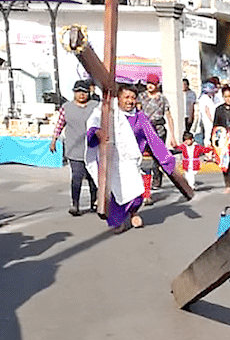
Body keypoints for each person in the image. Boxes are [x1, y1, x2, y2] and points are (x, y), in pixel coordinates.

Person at [85, 83, 176, 234]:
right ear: (118, 98)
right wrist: (96, 133)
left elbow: (153, 139)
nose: (130, 101)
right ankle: (117, 221)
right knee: (115, 193)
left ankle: (133, 212)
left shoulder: (140, 117)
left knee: (136, 191)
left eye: (133, 97)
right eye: (126, 97)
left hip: (130, 161)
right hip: (111, 160)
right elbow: (93, 124)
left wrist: (166, 159)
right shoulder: (107, 113)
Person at [49, 80, 99, 216]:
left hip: (92, 148)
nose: (81, 95)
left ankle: (95, 202)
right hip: (74, 149)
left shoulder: (95, 106)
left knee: (93, 178)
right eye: (78, 92)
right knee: (77, 176)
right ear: (74, 93)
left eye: (84, 92)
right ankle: (75, 204)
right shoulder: (66, 108)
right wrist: (54, 140)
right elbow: (60, 124)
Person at [140, 74, 176, 193]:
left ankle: (157, 176)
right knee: (144, 156)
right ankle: (145, 182)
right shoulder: (142, 97)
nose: (150, 86)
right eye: (148, 83)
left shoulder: (162, 98)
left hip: (159, 129)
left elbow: (169, 117)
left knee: (157, 155)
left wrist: (172, 135)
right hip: (144, 129)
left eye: (153, 83)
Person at [194, 80, 218, 145]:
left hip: (208, 119)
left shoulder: (208, 98)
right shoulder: (204, 98)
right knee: (208, 133)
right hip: (208, 119)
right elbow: (206, 109)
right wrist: (211, 119)